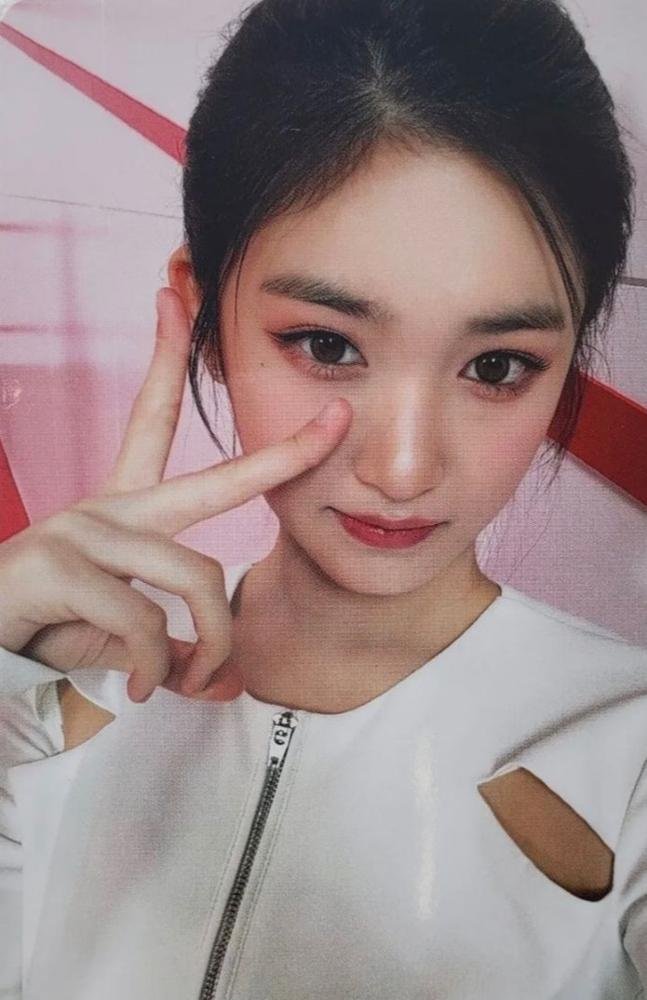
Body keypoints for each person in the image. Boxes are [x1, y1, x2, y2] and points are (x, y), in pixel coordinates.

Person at [1, 0, 646, 996]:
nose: (403, 468)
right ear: (206, 315)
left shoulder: (628, 754)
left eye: (496, 366)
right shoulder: (42, 693)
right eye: (328, 344)